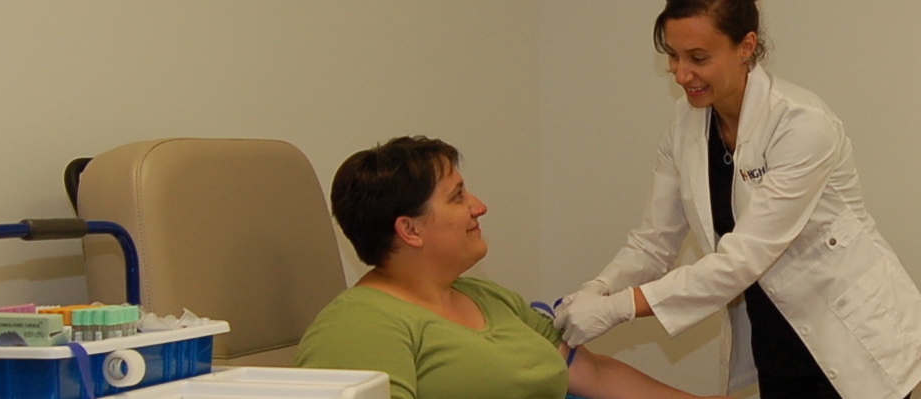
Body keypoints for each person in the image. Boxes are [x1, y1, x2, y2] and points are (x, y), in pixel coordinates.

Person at [552, 1, 921, 399]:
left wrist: (620, 308)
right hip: (777, 338)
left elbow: (742, 259)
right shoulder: (685, 123)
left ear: (746, 46)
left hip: (855, 336)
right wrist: (600, 289)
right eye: (672, 57)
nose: (681, 74)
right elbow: (653, 243)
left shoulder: (801, 124)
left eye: (698, 58)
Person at [296, 136, 730, 399]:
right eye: (457, 196)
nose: (479, 207)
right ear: (409, 230)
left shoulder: (487, 297)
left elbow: (591, 374)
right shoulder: (360, 327)